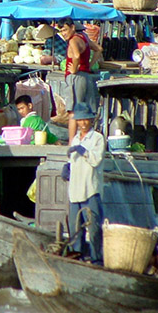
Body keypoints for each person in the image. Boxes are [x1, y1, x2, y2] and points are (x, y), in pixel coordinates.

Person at [66, 102, 105, 265]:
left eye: (85, 120)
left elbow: (96, 160)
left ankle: (97, 259)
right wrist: (67, 167)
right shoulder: (75, 138)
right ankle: (78, 258)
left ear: (91, 120)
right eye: (79, 120)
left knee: (94, 228)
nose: (82, 124)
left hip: (90, 191)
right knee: (76, 229)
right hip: (75, 191)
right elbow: (71, 160)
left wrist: (83, 151)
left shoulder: (97, 138)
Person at [59, 17, 102, 143]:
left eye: (65, 30)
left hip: (76, 77)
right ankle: (86, 141)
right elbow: (99, 49)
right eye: (61, 31)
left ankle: (72, 143)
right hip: (86, 77)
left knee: (73, 112)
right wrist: (89, 65)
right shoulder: (84, 38)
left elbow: (77, 55)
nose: (64, 33)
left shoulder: (73, 40)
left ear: (73, 27)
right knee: (86, 111)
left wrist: (74, 68)